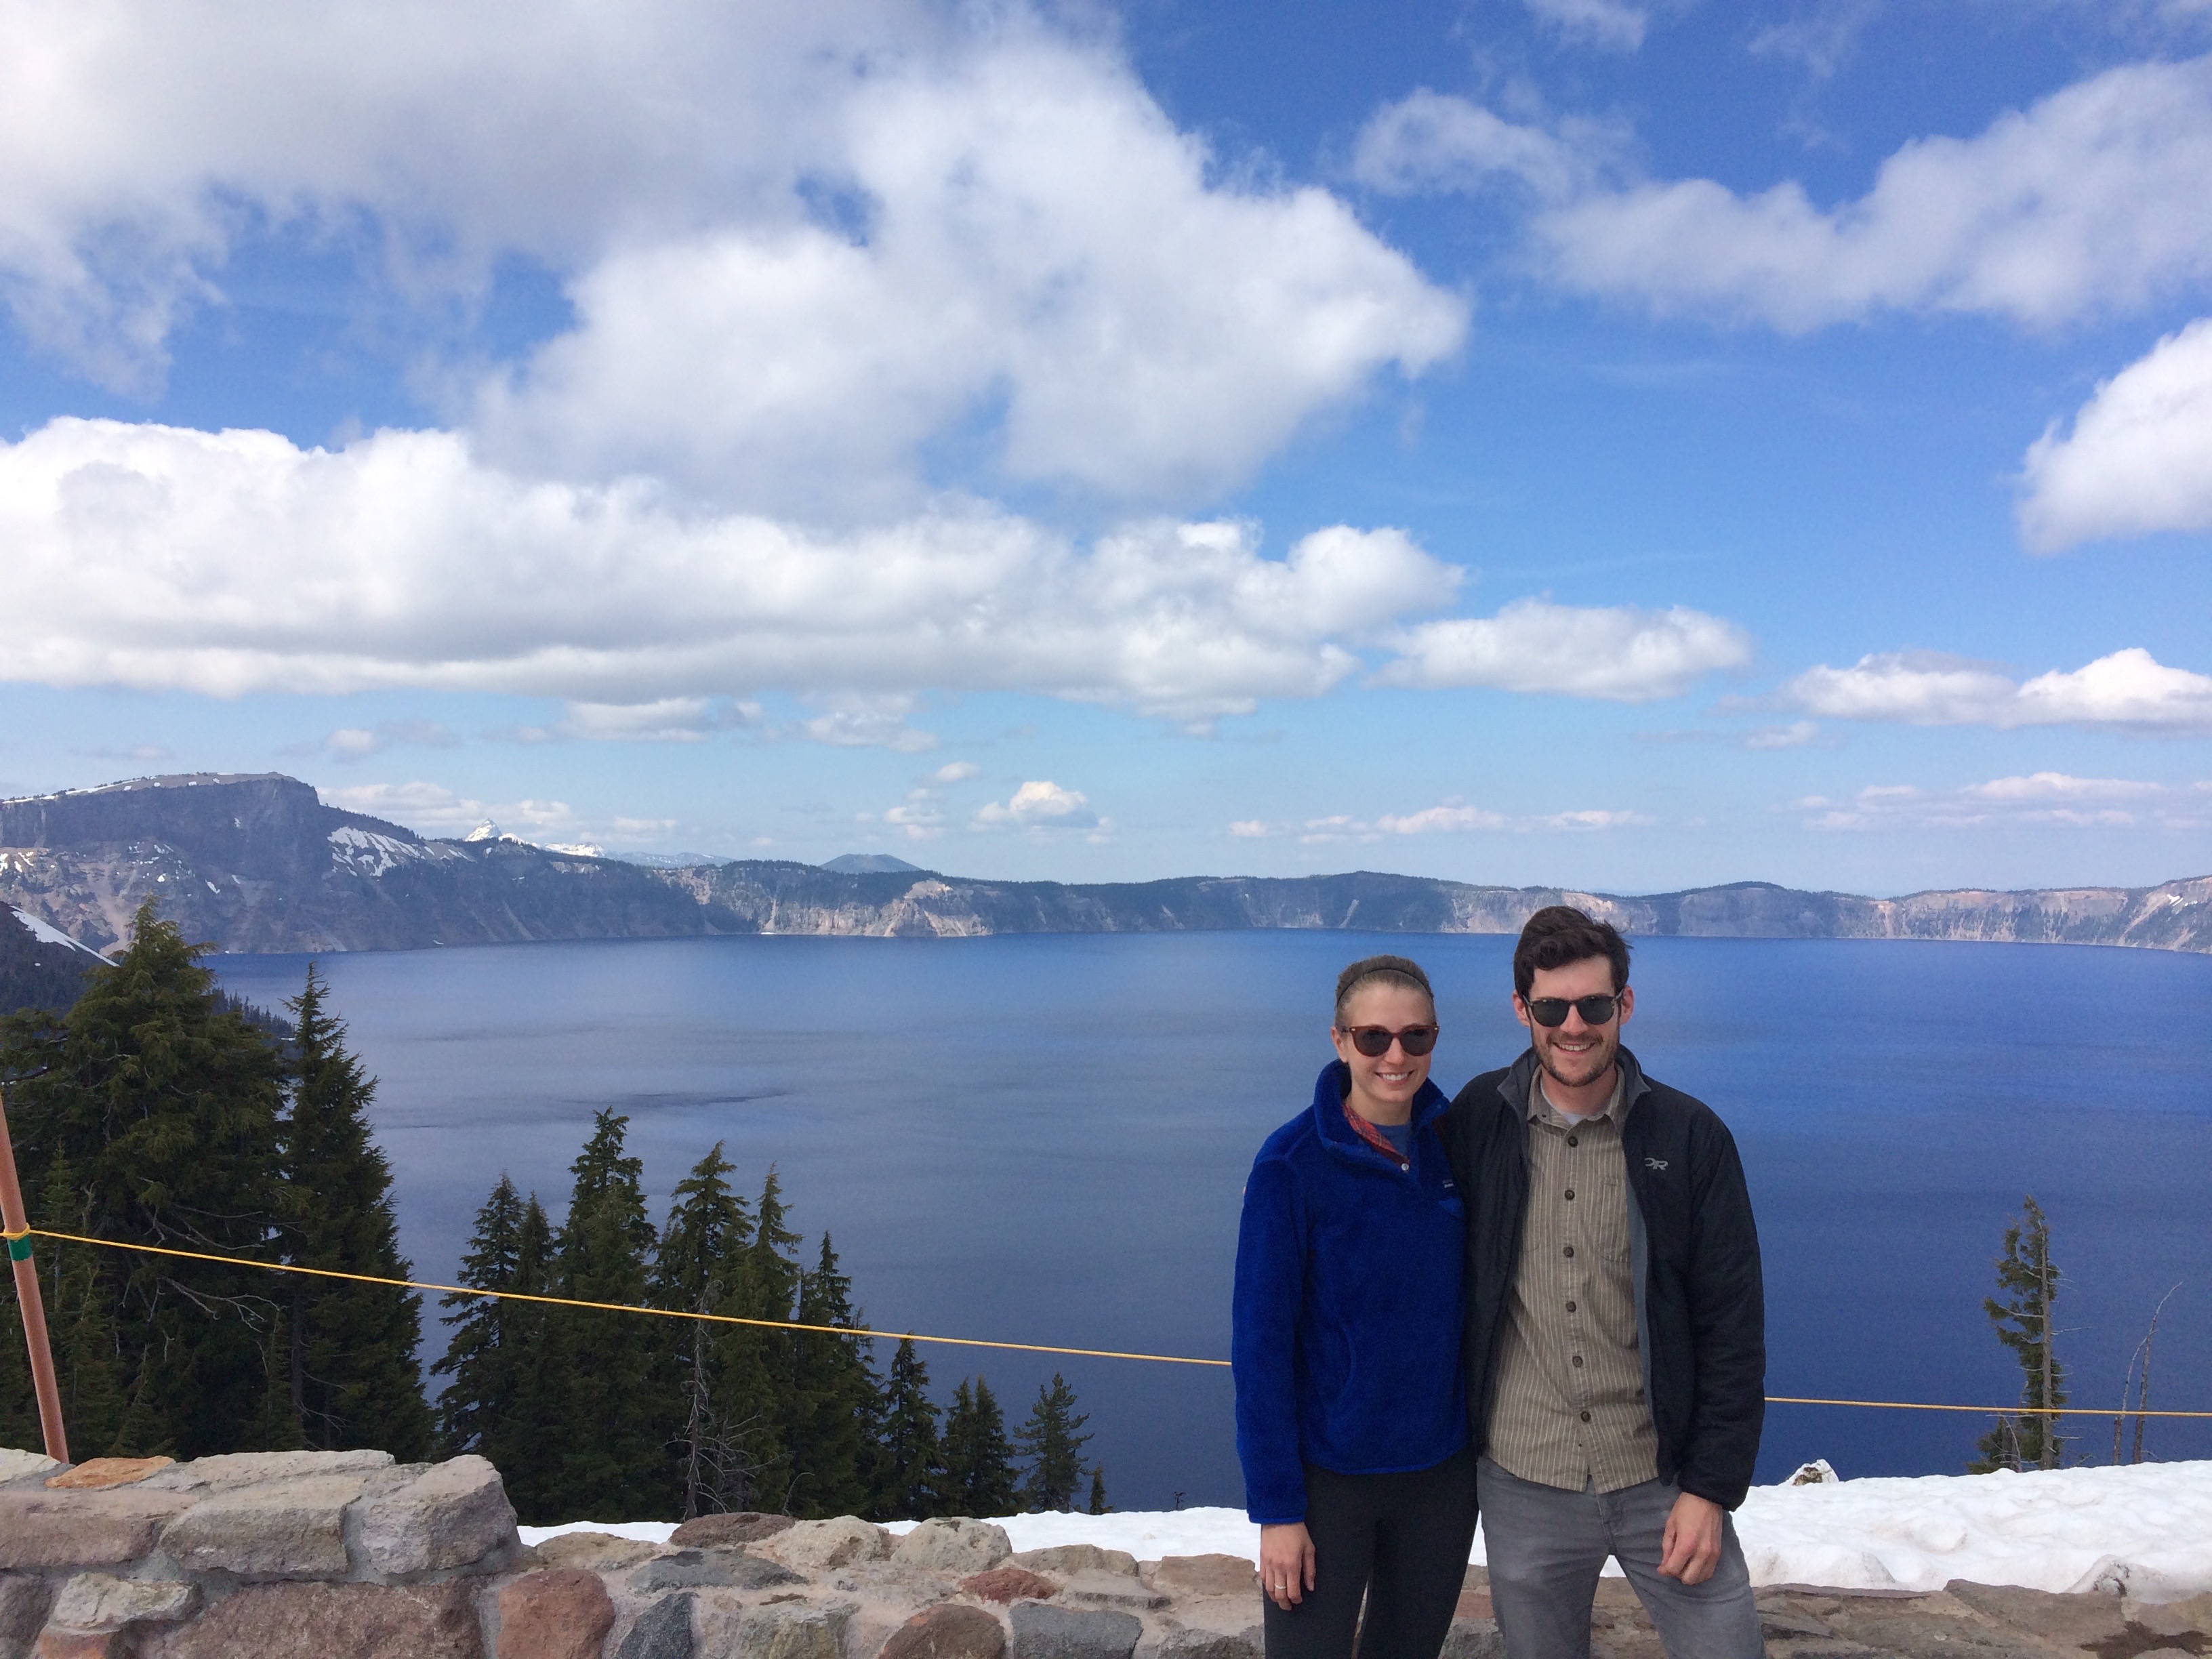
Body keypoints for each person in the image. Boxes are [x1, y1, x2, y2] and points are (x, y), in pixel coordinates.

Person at [1438, 907, 1765, 1659]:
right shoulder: (1479, 1122)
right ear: (1522, 1009)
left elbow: (1732, 1328)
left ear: (1626, 1004)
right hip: (1526, 1478)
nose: (1574, 1026)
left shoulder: (1689, 1137)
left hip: (1661, 1476)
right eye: (1552, 1008)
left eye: (1594, 1005)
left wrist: (1710, 1489)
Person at [1232, 954, 1480, 1659]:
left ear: (1434, 1039)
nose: (1395, 1056)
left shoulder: (1454, 1147)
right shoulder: (1291, 1165)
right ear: (1340, 1041)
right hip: (1329, 1484)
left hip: (1439, 1478)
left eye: (1415, 1037)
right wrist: (1278, 1510)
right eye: (1373, 1038)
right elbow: (1260, 1347)